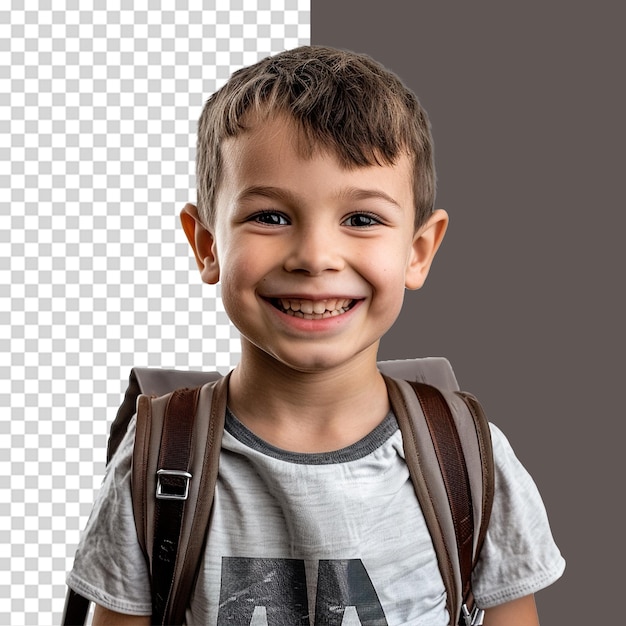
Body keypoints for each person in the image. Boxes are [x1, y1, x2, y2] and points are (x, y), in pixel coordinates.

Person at [67, 45, 565, 625]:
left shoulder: (473, 458)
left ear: (418, 251)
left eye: (362, 219)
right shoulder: (154, 463)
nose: (315, 257)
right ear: (206, 246)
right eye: (271, 217)